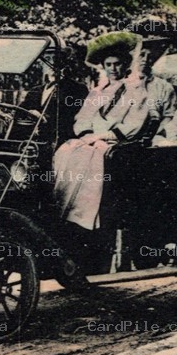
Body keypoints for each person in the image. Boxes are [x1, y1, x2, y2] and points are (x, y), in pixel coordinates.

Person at [53, 32, 142, 229]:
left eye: (117, 64)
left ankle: (84, 216)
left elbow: (134, 123)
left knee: (95, 155)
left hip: (116, 140)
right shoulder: (97, 92)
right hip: (91, 138)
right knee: (66, 150)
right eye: (108, 64)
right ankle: (62, 211)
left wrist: (102, 136)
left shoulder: (136, 91)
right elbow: (82, 118)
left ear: (126, 64)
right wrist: (87, 135)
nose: (113, 69)